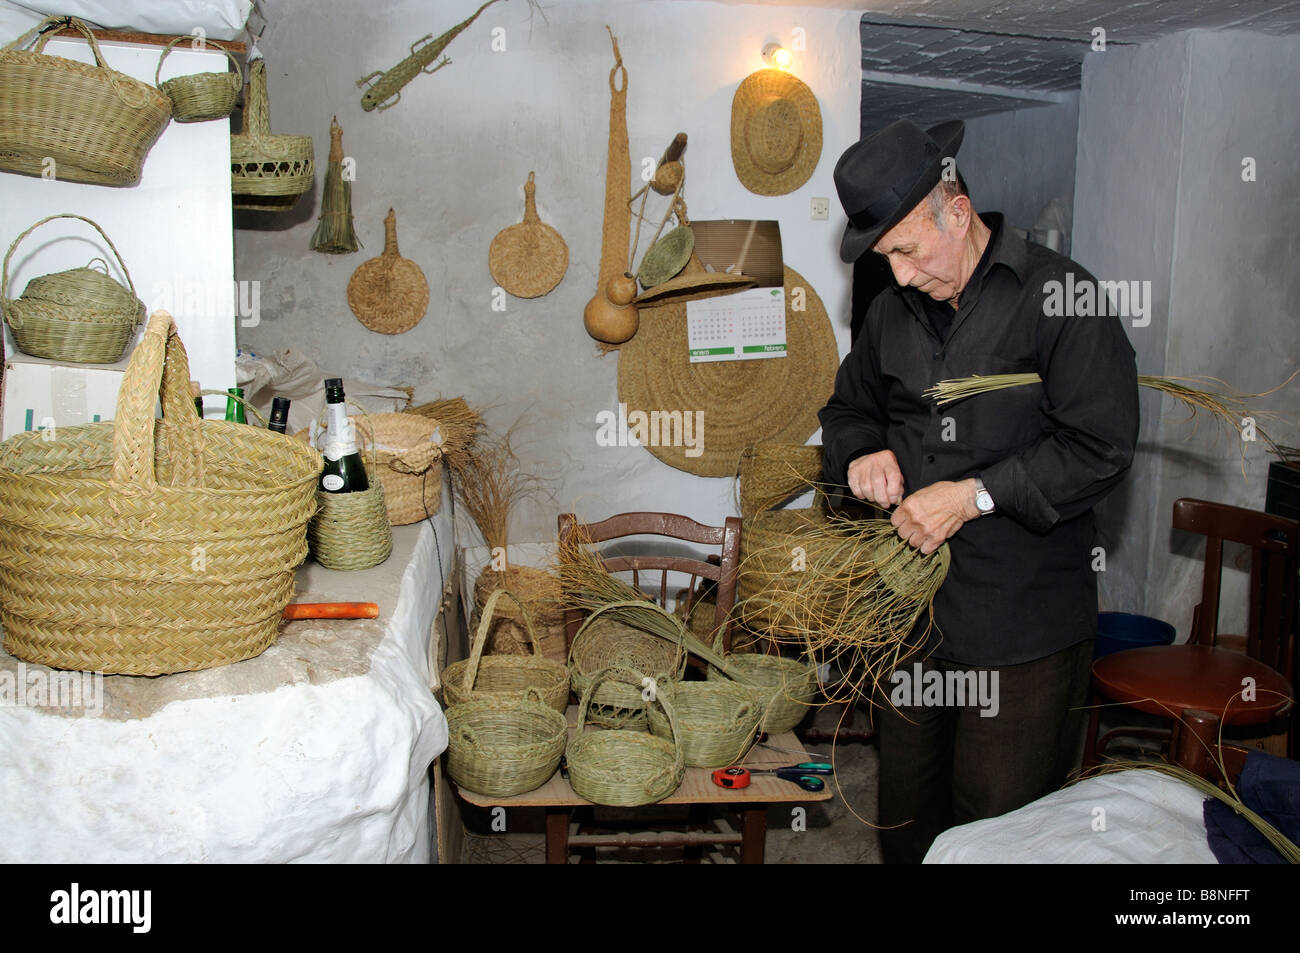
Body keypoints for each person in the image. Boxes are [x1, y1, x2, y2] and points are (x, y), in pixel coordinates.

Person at [819, 118, 1140, 863]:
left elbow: (1101, 447)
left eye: (905, 248)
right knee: (905, 817)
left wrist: (973, 495)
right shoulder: (890, 313)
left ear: (956, 211)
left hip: (1020, 628)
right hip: (908, 622)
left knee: (998, 832)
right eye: (882, 256)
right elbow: (846, 410)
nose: (896, 274)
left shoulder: (1062, 297)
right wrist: (861, 451)